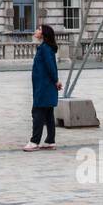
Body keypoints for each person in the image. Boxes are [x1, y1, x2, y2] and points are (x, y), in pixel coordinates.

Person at [24, 23, 62, 151]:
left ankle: (35, 141)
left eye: (39, 29)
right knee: (48, 114)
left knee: (38, 113)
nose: (36, 30)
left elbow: (51, 66)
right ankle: (50, 140)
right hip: (45, 85)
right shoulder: (46, 48)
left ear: (44, 34)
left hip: (44, 86)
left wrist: (56, 81)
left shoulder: (45, 48)